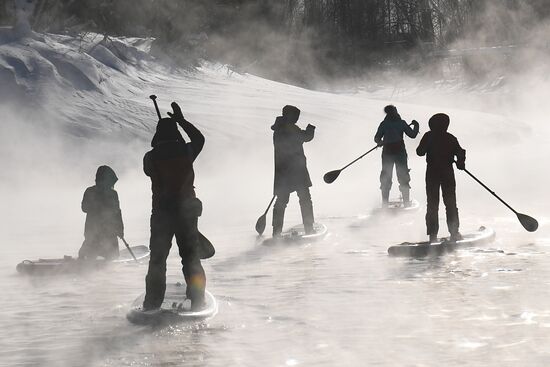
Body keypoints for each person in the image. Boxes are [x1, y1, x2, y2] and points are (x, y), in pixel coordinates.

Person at [142, 102, 207, 311]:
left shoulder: (150, 157)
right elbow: (200, 139)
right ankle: (197, 300)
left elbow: (148, 171)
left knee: (157, 260)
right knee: (190, 258)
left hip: (161, 215)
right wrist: (181, 120)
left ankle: (152, 303)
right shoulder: (186, 151)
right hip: (187, 214)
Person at [416, 113, 466, 243]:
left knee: (432, 205)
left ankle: (432, 236)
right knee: (450, 204)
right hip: (447, 173)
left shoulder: (428, 136)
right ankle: (454, 233)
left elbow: (419, 152)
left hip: (432, 173)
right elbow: (460, 152)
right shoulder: (450, 138)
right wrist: (460, 162)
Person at [271, 105, 316, 237]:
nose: (297, 119)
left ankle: (276, 232)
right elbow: (305, 137)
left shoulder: (279, 129)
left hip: (282, 171)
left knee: (281, 201)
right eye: (295, 116)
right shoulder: (290, 128)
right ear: (289, 116)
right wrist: (310, 129)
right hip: (296, 170)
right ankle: (309, 228)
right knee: (305, 198)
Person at [374, 105, 420, 207]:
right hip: (399, 154)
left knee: (386, 177)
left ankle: (385, 203)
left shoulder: (384, 124)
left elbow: (377, 138)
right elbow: (412, 135)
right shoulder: (401, 123)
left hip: (388, 153)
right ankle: (406, 203)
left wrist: (380, 141)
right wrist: (416, 126)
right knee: (403, 177)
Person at [78, 165, 124, 260]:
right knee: (89, 254)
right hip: (93, 230)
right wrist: (98, 205)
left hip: (109, 231)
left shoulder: (113, 194)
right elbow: (84, 208)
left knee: (112, 256)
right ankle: (84, 262)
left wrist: (120, 229)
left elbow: (117, 212)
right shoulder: (90, 191)